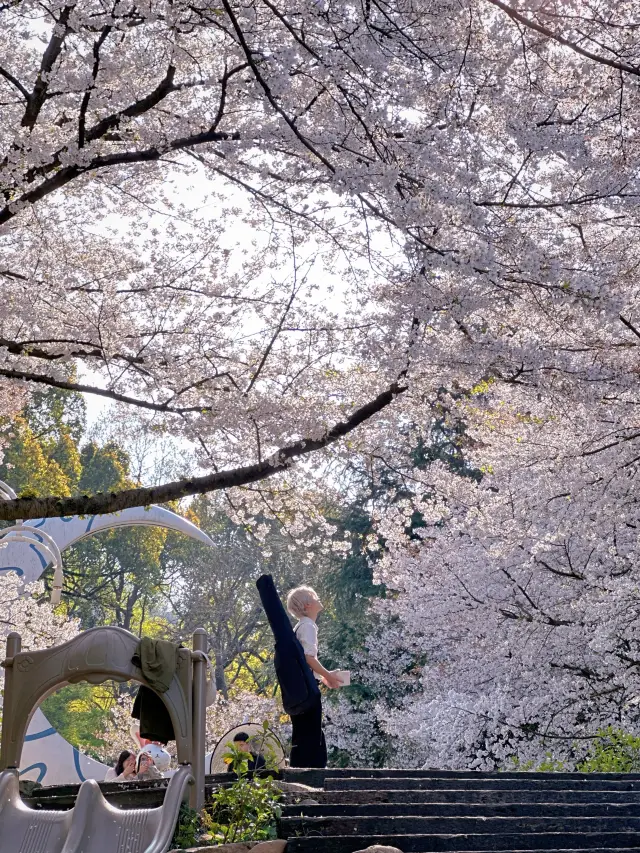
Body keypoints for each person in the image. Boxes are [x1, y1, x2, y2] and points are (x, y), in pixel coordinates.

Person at [286, 585, 343, 768]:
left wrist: (324, 677)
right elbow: (309, 657)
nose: (319, 599)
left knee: (307, 731)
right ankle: (313, 770)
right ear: (308, 605)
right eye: (314, 596)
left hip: (302, 687)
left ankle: (307, 765)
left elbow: (307, 660)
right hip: (308, 691)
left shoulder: (301, 626)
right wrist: (328, 676)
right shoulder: (308, 626)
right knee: (312, 731)